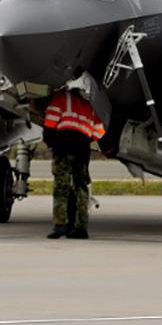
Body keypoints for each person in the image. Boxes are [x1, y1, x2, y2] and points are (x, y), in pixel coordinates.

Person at [40, 84, 104, 240]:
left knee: (61, 185)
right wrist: (87, 138)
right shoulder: (90, 105)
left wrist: (51, 142)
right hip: (82, 148)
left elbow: (50, 123)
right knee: (81, 186)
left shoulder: (62, 98)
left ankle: (60, 224)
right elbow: (99, 131)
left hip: (64, 144)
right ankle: (81, 228)